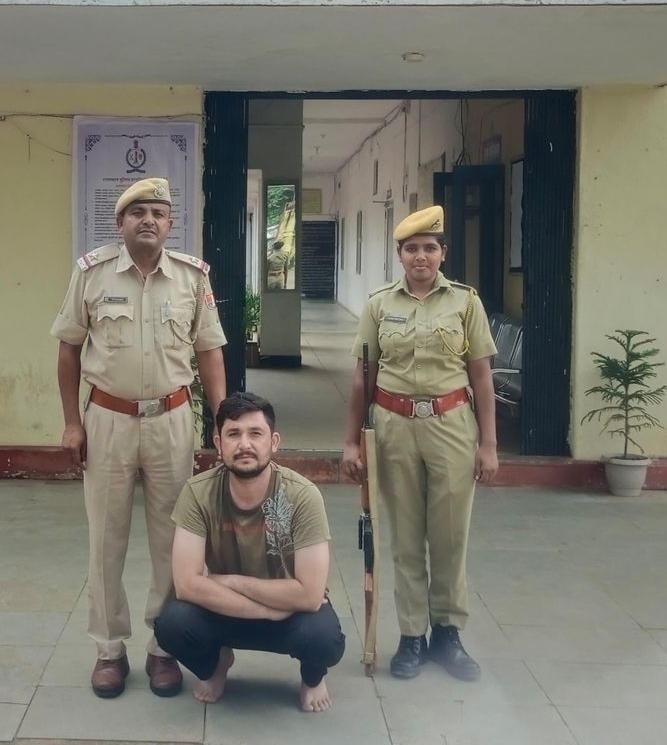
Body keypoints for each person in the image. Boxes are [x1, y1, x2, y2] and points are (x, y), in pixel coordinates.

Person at [51, 176, 227, 700]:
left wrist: (221, 423)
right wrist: (72, 422)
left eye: (158, 213)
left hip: (172, 419)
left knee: (174, 540)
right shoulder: (91, 274)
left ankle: (163, 647)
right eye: (137, 212)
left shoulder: (192, 278)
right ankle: (109, 650)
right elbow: (68, 350)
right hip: (107, 420)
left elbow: (210, 352)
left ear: (171, 224)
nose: (148, 220)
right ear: (120, 222)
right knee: (106, 538)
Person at [341, 205, 498, 682]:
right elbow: (362, 376)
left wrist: (489, 444)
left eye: (430, 247)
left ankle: (448, 633)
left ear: (443, 253)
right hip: (394, 426)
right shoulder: (379, 305)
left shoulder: (466, 303)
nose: (421, 256)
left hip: (451, 424)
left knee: (450, 536)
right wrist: (351, 441)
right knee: (405, 537)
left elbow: (481, 376)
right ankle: (412, 635)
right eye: (412, 249)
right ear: (400, 255)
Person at [155, 392, 346, 712]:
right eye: (233, 434)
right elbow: (186, 585)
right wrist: (266, 610)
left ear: (274, 442)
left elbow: (310, 595)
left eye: (255, 433)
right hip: (236, 609)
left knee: (324, 638)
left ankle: (313, 678)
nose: (245, 444)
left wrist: (230, 581)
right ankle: (215, 663)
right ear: (219, 443)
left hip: (289, 614)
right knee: (172, 625)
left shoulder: (303, 495)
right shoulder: (198, 493)